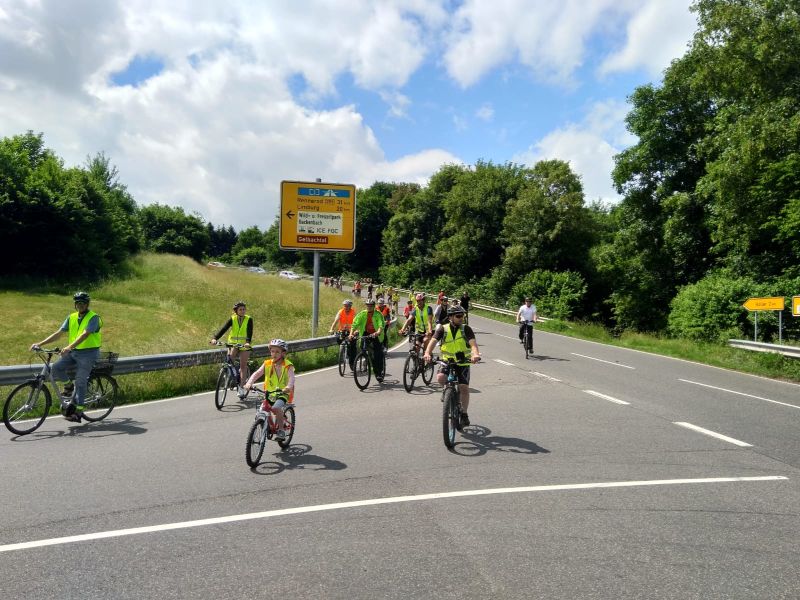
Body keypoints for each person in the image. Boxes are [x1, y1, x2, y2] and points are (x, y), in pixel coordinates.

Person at [30, 291, 103, 423]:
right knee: (56, 368)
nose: (80, 305)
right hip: (75, 352)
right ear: (75, 305)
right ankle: (69, 387)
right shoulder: (72, 317)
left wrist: (69, 346)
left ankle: (79, 411)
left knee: (80, 381)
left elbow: (85, 334)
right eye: (78, 303)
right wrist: (40, 343)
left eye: (83, 303)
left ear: (87, 304)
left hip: (89, 353)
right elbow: (59, 333)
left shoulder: (94, 317)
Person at [424, 305, 481, 429]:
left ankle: (464, 414)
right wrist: (427, 353)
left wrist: (475, 355)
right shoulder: (442, 329)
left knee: (464, 387)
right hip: (447, 361)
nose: (462, 318)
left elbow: (473, 345)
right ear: (450, 317)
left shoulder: (466, 329)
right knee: (440, 378)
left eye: (463, 315)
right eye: (458, 316)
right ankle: (447, 391)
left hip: (463, 362)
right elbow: (433, 341)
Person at [243, 339, 294, 441]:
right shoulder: (267, 363)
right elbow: (257, 373)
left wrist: (288, 387)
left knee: (275, 408)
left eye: (277, 352)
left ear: (283, 353)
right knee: (261, 410)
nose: (274, 354)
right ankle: (264, 424)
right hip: (269, 393)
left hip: (282, 394)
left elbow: (292, 378)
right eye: (272, 351)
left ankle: (281, 430)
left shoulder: (288, 365)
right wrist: (249, 383)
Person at [211, 301, 253, 398]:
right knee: (229, 361)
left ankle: (241, 387)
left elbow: (249, 331)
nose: (243, 311)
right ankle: (228, 374)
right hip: (233, 344)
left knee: (243, 366)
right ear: (236, 311)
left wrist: (247, 342)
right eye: (240, 309)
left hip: (244, 345)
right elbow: (224, 328)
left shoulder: (249, 319)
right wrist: (215, 338)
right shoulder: (233, 318)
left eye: (244, 309)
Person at [349, 298, 386, 376]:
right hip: (366, 333)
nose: (369, 307)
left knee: (377, 354)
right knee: (362, 347)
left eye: (371, 306)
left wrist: (378, 332)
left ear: (373, 306)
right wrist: (351, 334)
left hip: (376, 335)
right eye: (368, 306)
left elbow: (381, 324)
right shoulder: (362, 314)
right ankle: (366, 358)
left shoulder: (378, 314)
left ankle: (379, 373)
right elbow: (355, 324)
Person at [329, 298, 357, 364]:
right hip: (342, 330)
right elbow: (336, 321)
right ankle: (343, 351)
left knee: (352, 346)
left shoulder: (353, 312)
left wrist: (356, 331)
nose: (346, 307)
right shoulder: (341, 311)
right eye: (345, 306)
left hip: (351, 331)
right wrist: (331, 329)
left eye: (347, 306)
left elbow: (356, 322)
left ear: (350, 306)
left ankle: (352, 361)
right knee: (339, 339)